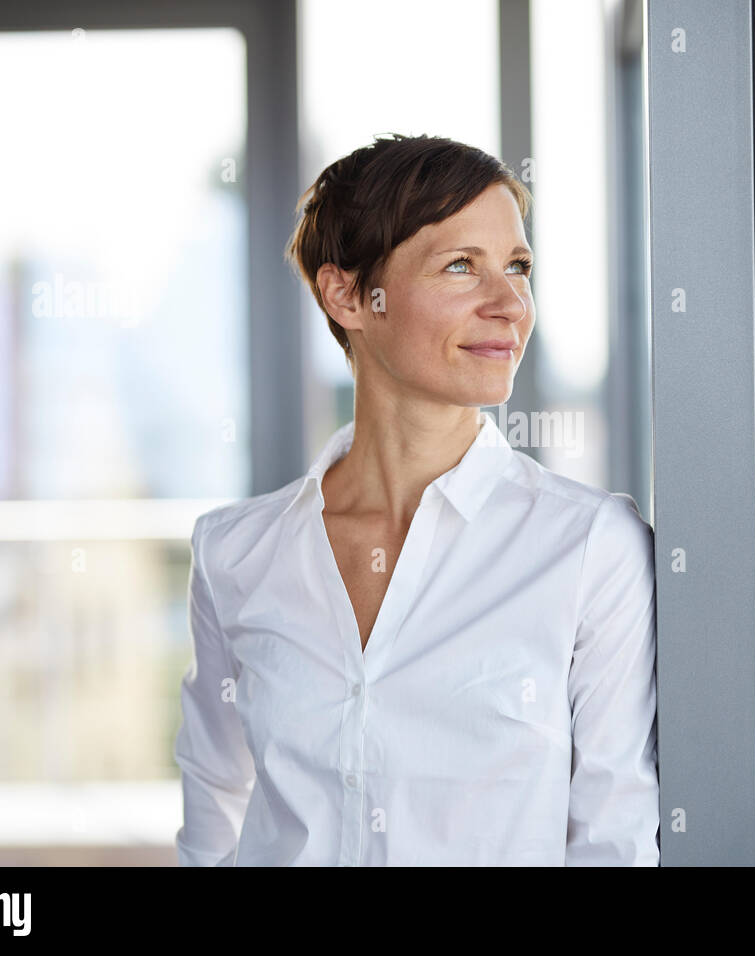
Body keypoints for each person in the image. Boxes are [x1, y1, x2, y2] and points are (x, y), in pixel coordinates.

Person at [173, 133, 658, 866]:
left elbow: (613, 844)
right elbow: (214, 801)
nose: (510, 304)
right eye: (461, 265)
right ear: (348, 295)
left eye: (518, 266)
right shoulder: (234, 553)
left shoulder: (591, 549)